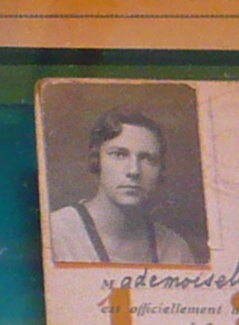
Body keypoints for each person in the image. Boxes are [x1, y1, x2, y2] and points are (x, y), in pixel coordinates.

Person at [48, 108, 204, 266]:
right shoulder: (54, 233)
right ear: (97, 160)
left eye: (147, 159)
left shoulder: (175, 250)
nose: (134, 171)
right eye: (119, 154)